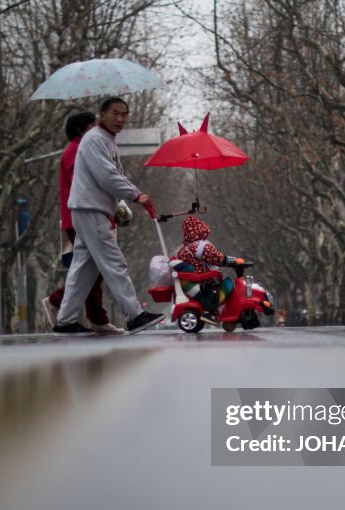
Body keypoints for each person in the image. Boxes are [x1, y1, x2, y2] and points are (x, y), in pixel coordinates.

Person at [53, 97, 163, 334]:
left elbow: (113, 175)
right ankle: (134, 315)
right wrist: (136, 195)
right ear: (101, 114)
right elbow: (107, 176)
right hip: (90, 209)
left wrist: (128, 197)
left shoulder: (106, 141)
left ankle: (65, 320)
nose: (120, 119)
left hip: (91, 209)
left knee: (84, 268)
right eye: (115, 113)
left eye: (124, 114)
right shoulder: (94, 140)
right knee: (114, 263)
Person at [42, 112, 124, 334]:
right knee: (90, 268)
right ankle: (60, 301)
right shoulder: (77, 150)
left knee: (93, 269)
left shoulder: (83, 148)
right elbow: (90, 181)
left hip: (91, 216)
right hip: (82, 217)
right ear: (80, 130)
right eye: (92, 126)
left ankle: (96, 318)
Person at [174, 215, 244, 322]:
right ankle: (209, 311)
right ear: (200, 228)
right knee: (228, 284)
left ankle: (215, 309)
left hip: (194, 282)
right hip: (204, 282)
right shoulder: (199, 246)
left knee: (222, 287)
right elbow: (216, 258)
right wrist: (233, 261)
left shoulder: (185, 249)